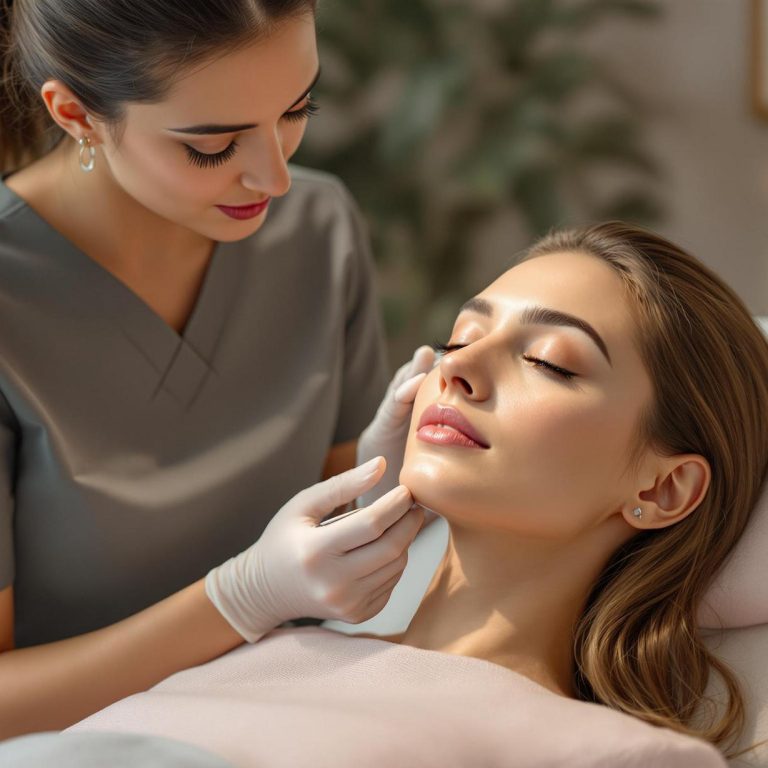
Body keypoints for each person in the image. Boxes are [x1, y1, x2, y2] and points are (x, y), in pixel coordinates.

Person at [50, 222, 768, 767]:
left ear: (665, 486)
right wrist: (246, 598)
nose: (458, 371)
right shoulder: (266, 641)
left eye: (550, 362)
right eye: (459, 339)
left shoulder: (614, 757)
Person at [0, 0, 433, 738]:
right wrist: (237, 599)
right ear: (75, 114)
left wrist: (383, 484)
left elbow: (338, 552)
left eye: (298, 110)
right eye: (212, 147)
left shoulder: (319, 231)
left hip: (303, 720)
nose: (275, 177)